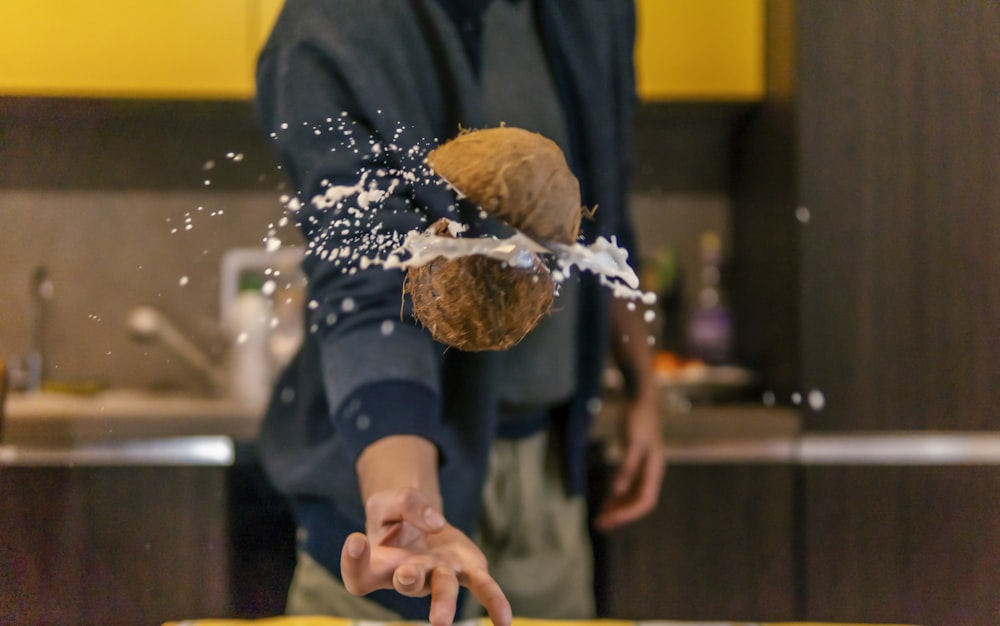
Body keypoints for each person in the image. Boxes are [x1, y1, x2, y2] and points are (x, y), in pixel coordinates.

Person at [254, 1, 665, 625]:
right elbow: (368, 283)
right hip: (391, 480)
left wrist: (644, 387)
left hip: (547, 482)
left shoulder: (595, 11)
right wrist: (409, 502)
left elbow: (602, 213)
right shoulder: (334, 23)